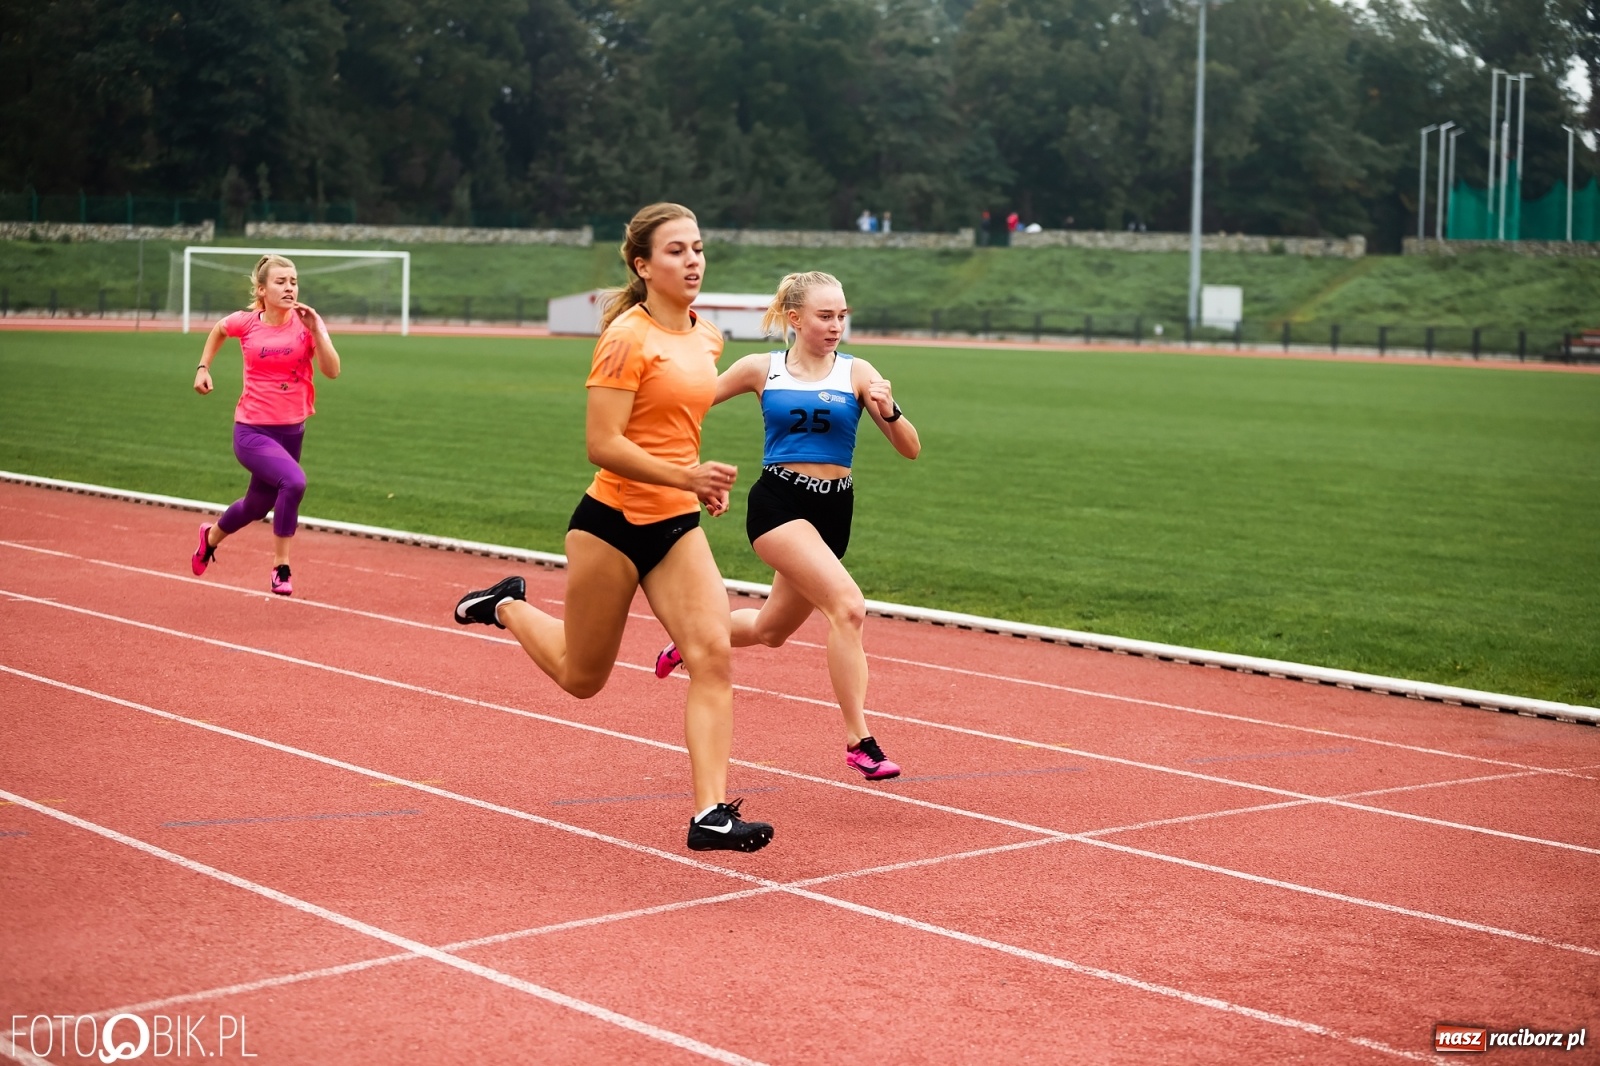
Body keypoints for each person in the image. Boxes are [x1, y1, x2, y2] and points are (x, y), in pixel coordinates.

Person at [452, 203, 773, 854]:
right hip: (612, 523)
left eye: (699, 248)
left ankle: (709, 814)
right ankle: (507, 605)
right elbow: (602, 443)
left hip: (676, 525)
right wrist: (686, 477)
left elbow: (678, 426)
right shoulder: (626, 337)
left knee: (712, 656)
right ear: (642, 264)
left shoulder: (707, 337)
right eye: (677, 250)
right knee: (582, 677)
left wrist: (696, 486)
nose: (693, 261)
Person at [655, 271, 921, 781]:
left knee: (769, 629)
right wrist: (683, 473)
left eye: (843, 315)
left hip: (834, 512)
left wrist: (890, 411)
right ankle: (859, 741)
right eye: (825, 316)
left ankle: (690, 640)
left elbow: (909, 448)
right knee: (847, 607)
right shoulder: (762, 368)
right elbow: (687, 410)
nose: (836, 325)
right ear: (795, 319)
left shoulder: (858, 372)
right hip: (779, 505)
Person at [191, 254, 341, 596]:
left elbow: (332, 371)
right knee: (295, 481)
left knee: (257, 506)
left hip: (292, 431)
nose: (289, 287)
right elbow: (219, 329)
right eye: (280, 281)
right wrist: (203, 367)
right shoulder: (246, 323)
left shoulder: (306, 325)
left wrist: (318, 329)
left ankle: (210, 537)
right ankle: (281, 567)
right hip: (252, 431)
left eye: (294, 281)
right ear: (261, 289)